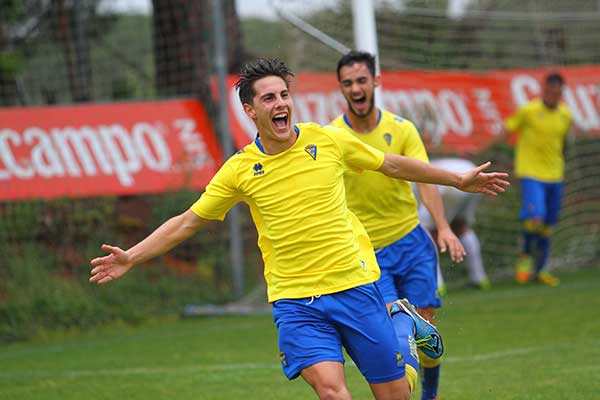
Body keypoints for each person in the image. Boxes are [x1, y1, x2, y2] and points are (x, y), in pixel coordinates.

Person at [89, 58, 509, 400]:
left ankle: (403, 330)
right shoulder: (238, 170)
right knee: (330, 390)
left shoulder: (326, 141)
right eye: (268, 98)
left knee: (395, 396)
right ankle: (399, 328)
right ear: (251, 111)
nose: (280, 104)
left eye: (284, 95)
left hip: (354, 287)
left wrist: (457, 179)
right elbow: (187, 221)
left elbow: (392, 164)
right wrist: (132, 256)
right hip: (296, 302)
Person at [331, 50, 464, 400]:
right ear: (341, 88)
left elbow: (424, 180)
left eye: (362, 80)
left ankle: (430, 394)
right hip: (369, 254)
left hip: (411, 242)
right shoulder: (333, 138)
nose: (356, 88)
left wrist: (443, 227)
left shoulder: (401, 129)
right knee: (396, 331)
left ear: (375, 81)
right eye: (348, 83)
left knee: (426, 331)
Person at [500, 72, 575, 286]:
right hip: (531, 172)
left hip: (555, 174)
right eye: (550, 92)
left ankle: (541, 270)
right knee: (536, 217)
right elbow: (507, 129)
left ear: (561, 93)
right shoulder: (529, 110)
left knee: (548, 225)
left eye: (557, 93)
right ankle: (524, 257)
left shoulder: (565, 115)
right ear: (544, 90)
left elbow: (563, 144)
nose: (553, 96)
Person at [417, 158, 490, 290]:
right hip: (472, 172)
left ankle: (437, 284)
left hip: (452, 182)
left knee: (424, 229)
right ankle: (479, 278)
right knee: (461, 226)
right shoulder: (426, 159)